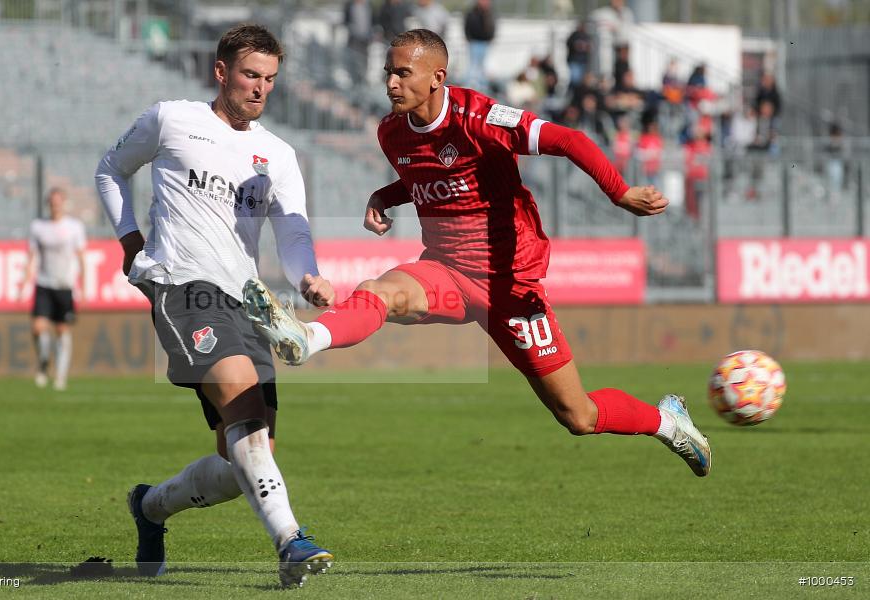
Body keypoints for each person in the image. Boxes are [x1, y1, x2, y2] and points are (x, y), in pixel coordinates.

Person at [243, 30, 712, 484]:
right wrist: (386, 196)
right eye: (388, 72)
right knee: (379, 292)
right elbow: (425, 176)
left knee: (578, 415)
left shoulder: (482, 118)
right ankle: (308, 337)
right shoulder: (391, 132)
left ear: (436, 77)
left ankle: (666, 422)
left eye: (402, 73)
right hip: (445, 270)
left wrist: (620, 192)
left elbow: (567, 140)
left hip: (510, 284)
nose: (390, 83)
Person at [94, 24, 337, 587]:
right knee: (246, 416)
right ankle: (291, 540)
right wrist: (130, 239)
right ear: (221, 71)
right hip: (184, 289)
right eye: (251, 75)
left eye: (271, 79)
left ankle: (151, 506)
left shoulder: (277, 154)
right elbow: (111, 169)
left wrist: (308, 277)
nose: (261, 89)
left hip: (248, 302)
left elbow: (293, 234)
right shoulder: (172, 119)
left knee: (242, 463)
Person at [23, 187, 86, 391]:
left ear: (64, 203)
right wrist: (25, 279)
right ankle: (43, 362)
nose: (55, 204)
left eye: (58, 201)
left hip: (64, 284)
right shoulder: (38, 226)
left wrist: (83, 285)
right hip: (43, 283)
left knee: (61, 330)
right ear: (48, 203)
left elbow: (81, 257)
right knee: (38, 327)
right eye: (52, 201)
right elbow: (31, 255)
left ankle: (60, 376)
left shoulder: (74, 227)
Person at [463, 0, 495, 92]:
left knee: (483, 67)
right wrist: (469, 39)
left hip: (485, 43)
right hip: (474, 43)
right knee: (472, 66)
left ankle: (483, 88)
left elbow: (492, 26)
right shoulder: (472, 12)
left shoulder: (489, 13)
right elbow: (467, 26)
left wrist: (490, 38)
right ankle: (469, 87)